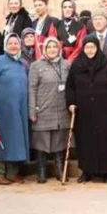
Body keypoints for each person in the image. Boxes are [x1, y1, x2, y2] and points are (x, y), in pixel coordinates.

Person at [67, 37, 107, 183]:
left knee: (106, 140)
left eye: (92, 47)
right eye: (87, 47)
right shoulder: (77, 64)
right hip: (84, 111)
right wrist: (71, 103)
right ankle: (87, 171)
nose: (90, 50)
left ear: (97, 48)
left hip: (106, 110)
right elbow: (70, 87)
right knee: (86, 141)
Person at [0, 34, 30, 184]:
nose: (14, 46)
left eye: (16, 43)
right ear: (5, 45)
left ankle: (12, 173)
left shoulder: (22, 64)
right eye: (10, 43)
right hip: (1, 110)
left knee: (15, 140)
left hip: (18, 110)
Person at [28, 37, 71, 183]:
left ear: (59, 49)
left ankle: (60, 170)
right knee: (41, 141)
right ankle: (41, 171)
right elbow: (32, 89)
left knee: (60, 140)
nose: (52, 49)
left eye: (55, 47)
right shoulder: (36, 66)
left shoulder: (66, 65)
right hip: (43, 108)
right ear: (44, 49)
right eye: (49, 47)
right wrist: (32, 110)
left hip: (61, 109)